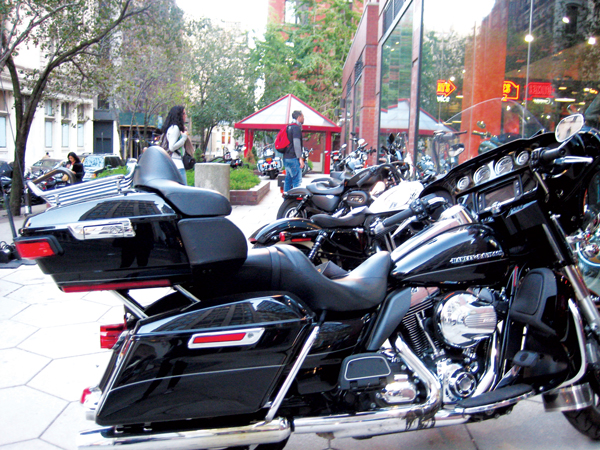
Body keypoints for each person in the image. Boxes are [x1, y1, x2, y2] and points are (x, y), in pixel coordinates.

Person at [160, 105, 189, 185]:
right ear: (179, 115)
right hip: (177, 163)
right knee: (183, 188)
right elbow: (172, 147)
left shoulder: (172, 128)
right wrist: (183, 138)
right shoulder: (175, 128)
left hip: (174, 163)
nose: (185, 116)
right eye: (184, 114)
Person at [283, 110, 305, 192]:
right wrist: (300, 158)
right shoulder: (296, 128)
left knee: (288, 179)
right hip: (293, 158)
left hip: (286, 157)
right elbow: (296, 144)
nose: (303, 118)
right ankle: (294, 201)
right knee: (296, 180)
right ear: (299, 117)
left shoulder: (289, 127)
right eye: (302, 117)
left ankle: (286, 200)